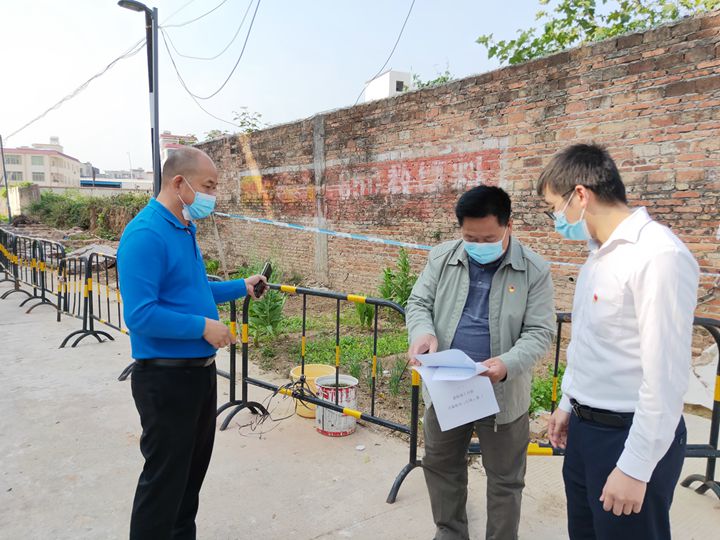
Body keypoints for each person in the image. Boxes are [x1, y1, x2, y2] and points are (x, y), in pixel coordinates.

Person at [538, 144, 699, 540]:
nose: (557, 220)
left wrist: (635, 467)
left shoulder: (657, 255)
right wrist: (568, 403)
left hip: (629, 436)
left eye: (554, 208)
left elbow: (665, 376)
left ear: (580, 195)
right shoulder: (598, 256)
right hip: (585, 431)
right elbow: (589, 344)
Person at [117, 147, 267, 540]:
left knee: (189, 481)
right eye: (208, 186)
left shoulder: (183, 229)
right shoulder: (146, 234)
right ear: (179, 183)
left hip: (199, 376)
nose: (212, 196)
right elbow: (140, 315)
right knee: (164, 484)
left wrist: (241, 286)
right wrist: (202, 327)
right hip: (166, 380)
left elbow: (193, 290)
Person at [406, 185, 556, 540]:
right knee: (441, 465)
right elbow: (419, 303)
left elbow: (539, 332)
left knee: (505, 479)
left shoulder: (533, 270)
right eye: (470, 237)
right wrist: (423, 333)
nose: (478, 245)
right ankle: (450, 532)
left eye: (488, 238)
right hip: (448, 386)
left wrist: (506, 364)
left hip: (502, 391)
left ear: (508, 226)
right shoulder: (443, 258)